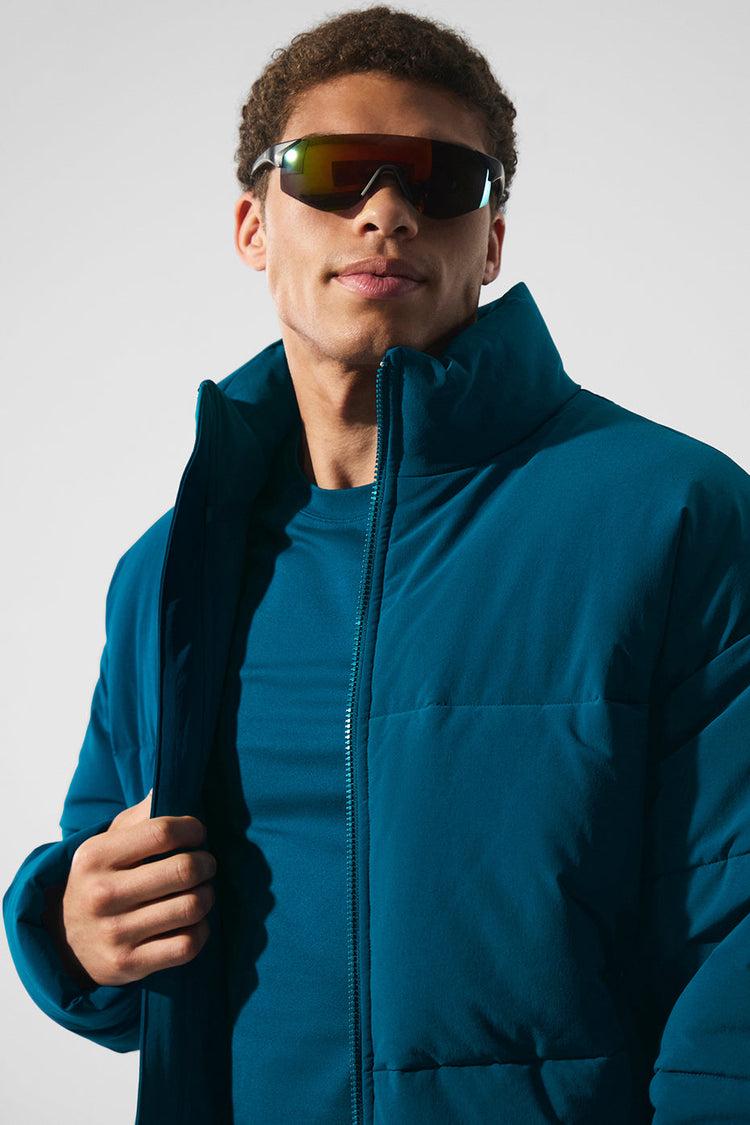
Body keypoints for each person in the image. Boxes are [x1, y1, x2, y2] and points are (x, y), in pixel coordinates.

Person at [4, 6, 750, 1124]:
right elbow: (111, 869)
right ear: (254, 225)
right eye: (334, 172)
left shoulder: (675, 513)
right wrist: (70, 925)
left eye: (443, 181)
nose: (387, 211)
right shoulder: (170, 567)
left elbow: (738, 936)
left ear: (490, 242)